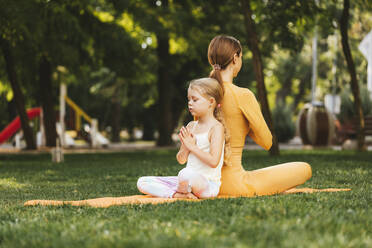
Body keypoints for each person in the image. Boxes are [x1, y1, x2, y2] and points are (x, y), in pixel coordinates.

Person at [207, 35, 312, 196]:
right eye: (241, 57)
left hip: (206, 183)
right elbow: (267, 142)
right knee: (305, 168)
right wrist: (247, 126)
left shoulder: (203, 95)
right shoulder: (243, 95)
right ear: (235, 58)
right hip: (235, 184)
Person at [137, 78, 228, 199]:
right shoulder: (191, 126)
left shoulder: (216, 128)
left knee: (185, 174)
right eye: (189, 99)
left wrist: (192, 146)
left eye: (195, 99)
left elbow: (213, 161)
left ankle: (180, 191)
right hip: (186, 180)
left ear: (211, 102)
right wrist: (186, 146)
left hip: (207, 185)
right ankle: (178, 194)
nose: (190, 103)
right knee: (142, 182)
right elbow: (181, 160)